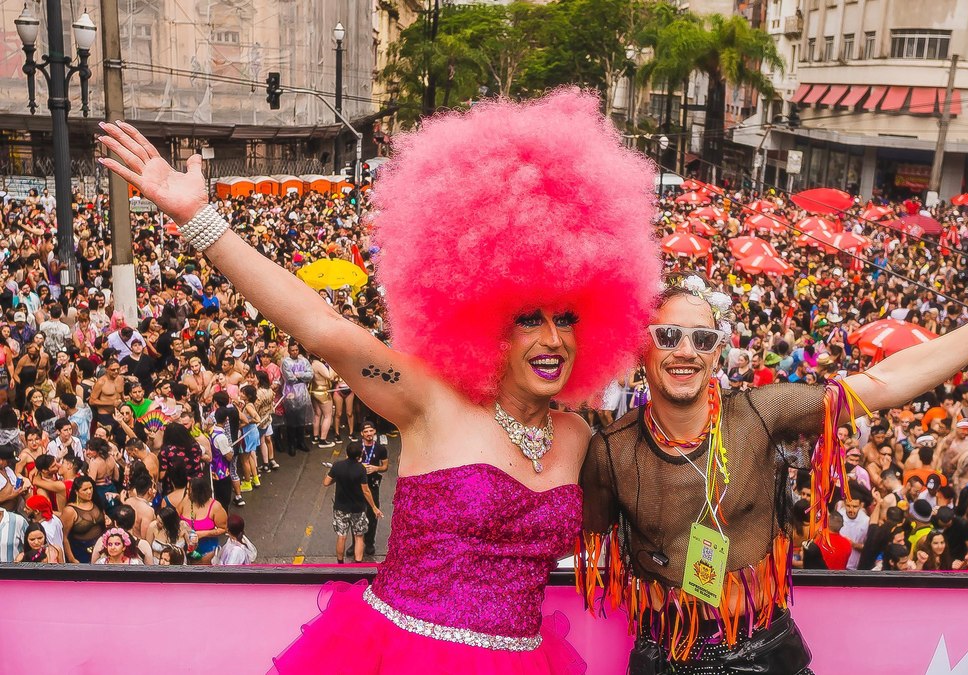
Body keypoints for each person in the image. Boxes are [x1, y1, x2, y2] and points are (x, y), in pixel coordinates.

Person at [98, 90, 660, 674]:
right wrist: (199, 219)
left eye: (566, 319)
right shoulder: (431, 401)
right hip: (403, 658)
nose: (553, 340)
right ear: (489, 322)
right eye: (528, 319)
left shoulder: (578, 437)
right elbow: (323, 328)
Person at [580, 253, 968, 672]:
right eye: (668, 335)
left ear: (718, 353)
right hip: (664, 657)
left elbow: (886, 382)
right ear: (641, 347)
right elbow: (568, 537)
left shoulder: (760, 414)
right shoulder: (610, 451)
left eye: (702, 338)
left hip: (764, 652)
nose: (685, 351)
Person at [325, 444, 382, 564]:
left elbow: (326, 482)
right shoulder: (360, 469)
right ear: (359, 455)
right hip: (358, 508)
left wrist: (337, 478)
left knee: (341, 536)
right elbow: (366, 491)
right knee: (359, 536)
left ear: (347, 453)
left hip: (340, 507)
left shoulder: (337, 465)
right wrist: (374, 507)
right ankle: (358, 563)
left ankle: (340, 563)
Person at [346, 419, 388, 556]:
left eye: (371, 431)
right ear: (362, 433)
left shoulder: (381, 449)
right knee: (356, 514)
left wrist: (376, 468)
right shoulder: (355, 447)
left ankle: (369, 543)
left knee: (372, 514)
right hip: (357, 485)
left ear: (374, 431)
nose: (369, 433)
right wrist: (359, 466)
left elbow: (385, 467)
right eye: (366, 431)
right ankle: (355, 543)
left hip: (372, 485)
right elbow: (348, 463)